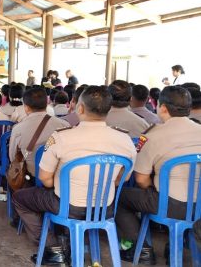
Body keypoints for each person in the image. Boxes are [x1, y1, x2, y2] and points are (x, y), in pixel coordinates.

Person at [13, 86, 136, 265]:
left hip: (67, 206)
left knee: (20, 198)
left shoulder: (62, 137)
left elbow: (46, 180)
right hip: (105, 207)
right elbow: (122, 179)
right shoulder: (124, 139)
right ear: (108, 110)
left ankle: (52, 248)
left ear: (80, 108)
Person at [116, 86, 201, 264]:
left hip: (169, 204)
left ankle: (142, 249)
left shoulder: (151, 135)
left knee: (120, 198)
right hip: (199, 206)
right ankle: (176, 245)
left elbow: (140, 179)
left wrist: (155, 188)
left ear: (162, 108)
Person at [9, 87, 70, 177]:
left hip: (32, 176)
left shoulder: (18, 129)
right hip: (59, 175)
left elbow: (12, 157)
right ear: (47, 104)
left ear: (26, 107)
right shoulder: (64, 125)